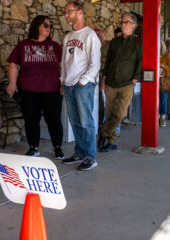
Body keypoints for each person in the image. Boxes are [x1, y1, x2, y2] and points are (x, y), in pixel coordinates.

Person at [6, 15, 64, 159]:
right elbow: (13, 64)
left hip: (52, 90)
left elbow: (65, 67)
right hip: (28, 91)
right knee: (31, 119)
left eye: (50, 26)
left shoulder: (56, 46)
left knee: (54, 120)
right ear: (36, 26)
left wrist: (64, 84)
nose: (48, 28)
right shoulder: (23, 45)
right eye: (45, 25)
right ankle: (34, 148)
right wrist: (12, 83)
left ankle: (58, 147)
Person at [60, 1, 101, 171]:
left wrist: (83, 81)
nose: (66, 15)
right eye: (65, 12)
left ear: (80, 13)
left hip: (83, 85)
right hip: (69, 84)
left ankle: (91, 157)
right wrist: (63, 79)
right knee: (75, 122)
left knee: (86, 122)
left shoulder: (90, 35)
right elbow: (64, 61)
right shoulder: (68, 37)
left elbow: (95, 62)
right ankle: (80, 152)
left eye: (69, 12)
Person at [99, 12, 142, 151]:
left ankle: (103, 132)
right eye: (122, 22)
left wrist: (135, 78)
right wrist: (104, 80)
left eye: (126, 22)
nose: (123, 24)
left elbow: (140, 62)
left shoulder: (138, 42)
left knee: (120, 114)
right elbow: (109, 62)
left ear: (133, 26)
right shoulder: (114, 42)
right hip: (111, 82)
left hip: (127, 83)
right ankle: (112, 142)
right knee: (110, 113)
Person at [94, 27, 110, 125]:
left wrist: (99, 58)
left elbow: (110, 58)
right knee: (98, 99)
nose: (97, 36)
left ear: (103, 33)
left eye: (98, 33)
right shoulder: (95, 46)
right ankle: (99, 120)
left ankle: (106, 121)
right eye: (95, 34)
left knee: (106, 99)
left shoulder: (109, 45)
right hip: (95, 74)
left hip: (106, 74)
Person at [158, 41, 170, 127]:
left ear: (162, 46)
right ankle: (155, 117)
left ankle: (162, 117)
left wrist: (163, 66)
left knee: (163, 99)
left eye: (159, 44)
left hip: (163, 79)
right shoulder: (153, 53)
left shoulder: (167, 55)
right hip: (153, 80)